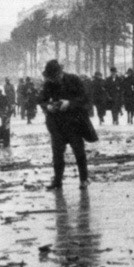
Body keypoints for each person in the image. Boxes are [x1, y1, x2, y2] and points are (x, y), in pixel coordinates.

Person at [39, 59, 97, 190]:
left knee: (79, 152)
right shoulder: (48, 84)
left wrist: (69, 103)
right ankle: (57, 181)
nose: (55, 80)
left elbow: (85, 98)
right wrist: (48, 106)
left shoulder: (73, 79)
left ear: (61, 72)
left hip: (74, 123)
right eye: (52, 78)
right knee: (57, 154)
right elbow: (41, 100)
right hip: (56, 125)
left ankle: (84, 179)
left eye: (56, 77)